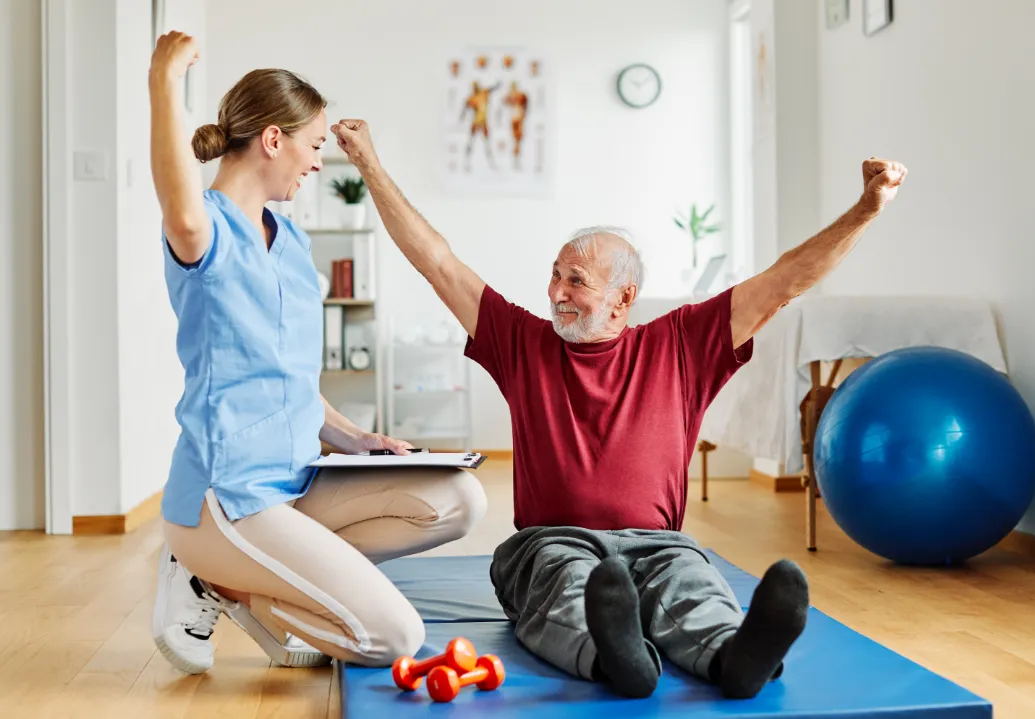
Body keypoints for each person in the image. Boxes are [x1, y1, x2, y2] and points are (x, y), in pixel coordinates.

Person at [330, 117, 906, 699]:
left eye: (575, 281)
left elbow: (785, 282)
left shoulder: (682, 344)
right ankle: (615, 657)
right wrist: (369, 163)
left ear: (622, 297)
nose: (556, 292)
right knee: (566, 583)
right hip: (551, 540)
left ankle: (733, 656)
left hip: (659, 544)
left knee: (690, 585)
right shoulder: (520, 340)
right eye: (555, 275)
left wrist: (867, 209)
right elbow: (438, 262)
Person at [147, 32, 487, 676]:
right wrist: (163, 80)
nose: (318, 161)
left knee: (459, 499)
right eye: (315, 144)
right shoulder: (207, 229)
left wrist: (359, 440)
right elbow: (180, 208)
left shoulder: (293, 241)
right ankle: (221, 581)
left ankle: (251, 578)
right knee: (394, 635)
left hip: (297, 479)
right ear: (273, 139)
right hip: (229, 494)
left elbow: (292, 380)